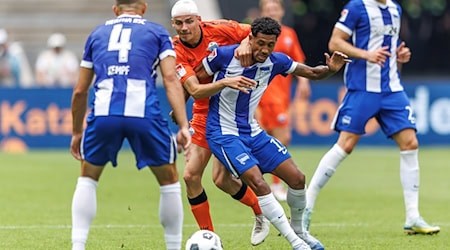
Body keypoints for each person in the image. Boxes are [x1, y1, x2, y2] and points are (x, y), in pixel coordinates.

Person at [199, 16, 349, 250]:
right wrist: (182, 109)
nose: (264, 49)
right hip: (223, 132)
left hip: (252, 132)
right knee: (259, 183)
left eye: (270, 44)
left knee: (298, 179)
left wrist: (330, 70)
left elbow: (312, 73)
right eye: (260, 43)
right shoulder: (225, 56)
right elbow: (194, 79)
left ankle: (300, 231)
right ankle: (296, 243)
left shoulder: (276, 62)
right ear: (250, 39)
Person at [303, 0, 440, 236]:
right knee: (346, 145)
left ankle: (413, 216)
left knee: (410, 143)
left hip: (392, 88)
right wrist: (366, 54)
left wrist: (400, 57)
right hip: (362, 88)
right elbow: (335, 42)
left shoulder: (395, 9)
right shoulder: (357, 7)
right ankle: (306, 205)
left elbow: (390, 49)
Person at [70, 1, 191, 250]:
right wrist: (183, 126)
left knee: (88, 177)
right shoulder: (157, 32)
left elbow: (80, 91)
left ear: (115, 9)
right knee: (169, 180)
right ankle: (173, 247)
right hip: (143, 114)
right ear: (144, 8)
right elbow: (170, 78)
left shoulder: (97, 33)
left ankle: (77, 246)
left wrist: (76, 132)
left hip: (104, 113)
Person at [170, 0, 270, 246]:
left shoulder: (221, 28)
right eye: (179, 23)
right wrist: (225, 82)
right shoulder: (175, 51)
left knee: (221, 179)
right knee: (192, 176)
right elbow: (195, 90)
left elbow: (254, 33)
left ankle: (261, 212)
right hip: (204, 112)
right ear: (173, 25)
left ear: (199, 20)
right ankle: (209, 236)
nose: (184, 28)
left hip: (232, 110)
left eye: (189, 21)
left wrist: (247, 43)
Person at [257, 0, 311, 202]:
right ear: (262, 13)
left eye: (275, 9)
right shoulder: (257, 36)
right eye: (268, 9)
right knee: (282, 137)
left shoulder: (289, 34)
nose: (272, 12)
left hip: (282, 94)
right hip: (264, 94)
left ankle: (258, 181)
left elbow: (298, 62)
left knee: (270, 139)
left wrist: (304, 82)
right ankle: (276, 185)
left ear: (281, 11)